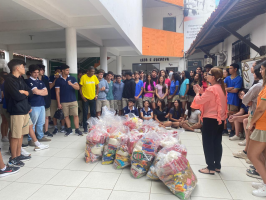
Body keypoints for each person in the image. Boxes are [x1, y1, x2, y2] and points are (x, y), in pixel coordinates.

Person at [193, 67, 227, 175]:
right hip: (219, 119)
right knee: (217, 142)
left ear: (213, 77)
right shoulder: (221, 88)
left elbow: (200, 100)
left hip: (210, 119)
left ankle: (210, 167)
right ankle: (217, 165)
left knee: (208, 143)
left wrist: (197, 93)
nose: (206, 75)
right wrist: (202, 91)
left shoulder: (212, 88)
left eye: (208, 73)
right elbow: (211, 99)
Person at [5, 59, 33, 167]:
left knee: (21, 134)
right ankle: (13, 158)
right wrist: (24, 94)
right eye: (23, 66)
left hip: (24, 110)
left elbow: (30, 92)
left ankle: (18, 155)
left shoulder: (20, 79)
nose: (24, 69)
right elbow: (16, 96)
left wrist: (25, 92)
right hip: (16, 111)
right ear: (17, 68)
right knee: (15, 136)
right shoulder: (9, 80)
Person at [247, 61, 266, 197]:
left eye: (263, 69)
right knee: (261, 155)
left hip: (262, 126)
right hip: (262, 125)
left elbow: (260, 109)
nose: (261, 71)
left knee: (252, 154)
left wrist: (251, 123)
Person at [55, 64, 83, 136]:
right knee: (66, 116)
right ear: (62, 71)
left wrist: (71, 84)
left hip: (73, 100)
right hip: (63, 101)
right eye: (67, 70)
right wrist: (58, 103)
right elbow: (57, 92)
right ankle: (69, 129)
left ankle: (77, 129)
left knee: (75, 115)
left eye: (68, 70)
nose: (68, 71)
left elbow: (78, 88)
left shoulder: (73, 78)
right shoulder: (58, 80)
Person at [26, 64, 51, 146]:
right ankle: (31, 139)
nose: (36, 74)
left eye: (37, 72)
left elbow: (46, 92)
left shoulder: (40, 82)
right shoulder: (29, 81)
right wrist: (41, 92)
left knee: (41, 122)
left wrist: (39, 92)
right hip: (34, 105)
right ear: (30, 73)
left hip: (41, 104)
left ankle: (40, 136)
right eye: (34, 72)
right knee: (32, 123)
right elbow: (35, 92)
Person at [224, 63, 243, 137]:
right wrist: (230, 88)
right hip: (226, 98)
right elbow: (224, 89)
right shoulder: (227, 78)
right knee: (226, 114)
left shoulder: (239, 79)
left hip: (234, 100)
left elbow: (235, 91)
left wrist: (227, 89)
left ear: (235, 69)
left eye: (231, 68)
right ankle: (225, 129)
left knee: (232, 114)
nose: (229, 70)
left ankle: (232, 130)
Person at [79, 66, 99, 133]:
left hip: (93, 98)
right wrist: (82, 96)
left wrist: (96, 95)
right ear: (88, 71)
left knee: (93, 113)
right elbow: (80, 87)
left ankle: (93, 127)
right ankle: (85, 128)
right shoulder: (83, 77)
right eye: (91, 71)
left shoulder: (94, 77)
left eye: (94, 72)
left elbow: (98, 87)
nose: (93, 73)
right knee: (85, 113)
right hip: (85, 99)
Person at [49, 67, 66, 134]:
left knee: (62, 113)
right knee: (53, 113)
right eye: (57, 71)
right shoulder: (51, 77)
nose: (58, 73)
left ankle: (62, 127)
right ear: (55, 72)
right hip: (53, 98)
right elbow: (50, 87)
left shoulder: (63, 78)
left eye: (60, 71)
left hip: (62, 98)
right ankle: (55, 127)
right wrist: (56, 79)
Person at [38, 64, 52, 137]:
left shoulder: (45, 80)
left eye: (43, 70)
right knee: (38, 119)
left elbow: (48, 92)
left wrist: (48, 101)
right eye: (41, 70)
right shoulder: (34, 80)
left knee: (46, 117)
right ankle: (37, 133)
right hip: (37, 102)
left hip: (46, 101)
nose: (43, 71)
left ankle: (46, 131)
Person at [0, 72, 8, 142]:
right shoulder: (3, 84)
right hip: (2, 103)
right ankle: (3, 135)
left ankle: (5, 135)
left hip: (5, 103)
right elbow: (2, 95)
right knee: (4, 120)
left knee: (6, 121)